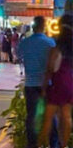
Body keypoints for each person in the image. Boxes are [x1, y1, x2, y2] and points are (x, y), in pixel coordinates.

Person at [19, 16, 56, 148]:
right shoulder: (50, 43)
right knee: (50, 115)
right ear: (44, 26)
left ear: (33, 27)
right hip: (47, 84)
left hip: (30, 84)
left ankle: (32, 144)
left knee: (31, 116)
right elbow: (54, 64)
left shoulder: (24, 42)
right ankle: (54, 143)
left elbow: (19, 57)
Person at [40, 16, 73, 148]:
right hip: (71, 84)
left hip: (58, 83)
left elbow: (50, 67)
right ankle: (64, 145)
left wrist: (44, 87)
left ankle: (44, 145)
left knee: (48, 116)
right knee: (66, 115)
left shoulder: (57, 46)